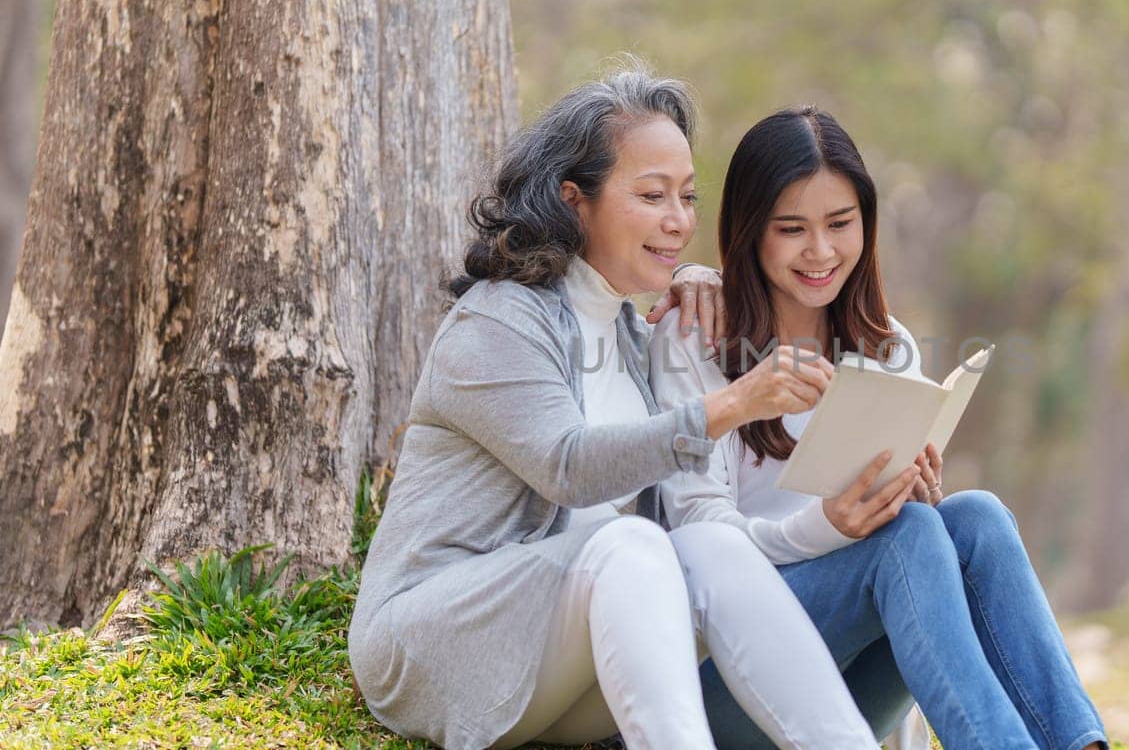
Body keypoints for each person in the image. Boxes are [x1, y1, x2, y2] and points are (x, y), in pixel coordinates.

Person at [348, 69, 879, 750]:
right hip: (434, 643)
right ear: (576, 203)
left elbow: (671, 520)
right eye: (653, 195)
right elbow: (568, 466)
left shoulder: (632, 334)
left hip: (559, 667)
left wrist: (695, 278)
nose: (680, 220)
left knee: (706, 542)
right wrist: (734, 404)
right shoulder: (501, 320)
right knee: (632, 544)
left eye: (688, 196)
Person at [649, 105, 1109, 750]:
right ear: (751, 232)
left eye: (841, 223)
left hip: (848, 686)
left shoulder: (887, 349)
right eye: (792, 230)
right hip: (731, 681)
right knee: (911, 536)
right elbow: (699, 537)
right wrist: (827, 528)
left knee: (973, 518)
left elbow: (911, 554)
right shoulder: (696, 335)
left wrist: (907, 492)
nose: (821, 251)